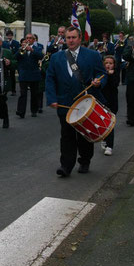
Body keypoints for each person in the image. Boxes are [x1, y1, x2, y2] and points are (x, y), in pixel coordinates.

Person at [46, 26, 107, 176]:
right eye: (68, 38)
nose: (71, 40)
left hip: (85, 102)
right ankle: (66, 166)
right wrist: (52, 98)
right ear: (65, 39)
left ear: (80, 38)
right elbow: (50, 79)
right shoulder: (57, 57)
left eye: (74, 37)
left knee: (84, 135)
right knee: (66, 135)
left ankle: (85, 160)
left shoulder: (92, 55)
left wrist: (98, 82)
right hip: (64, 102)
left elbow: (102, 74)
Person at [16, 33, 43, 118]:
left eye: (30, 38)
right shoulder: (21, 49)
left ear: (33, 40)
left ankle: (34, 110)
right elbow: (16, 57)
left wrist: (32, 50)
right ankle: (21, 111)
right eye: (27, 38)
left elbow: (41, 56)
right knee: (23, 94)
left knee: (34, 94)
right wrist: (20, 50)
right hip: (23, 74)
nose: (28, 40)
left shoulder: (37, 48)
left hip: (34, 74)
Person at [101, 55, 119, 156]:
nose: (108, 65)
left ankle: (109, 146)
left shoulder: (115, 74)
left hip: (112, 101)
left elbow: (115, 85)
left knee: (110, 123)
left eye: (110, 63)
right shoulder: (101, 73)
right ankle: (104, 138)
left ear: (114, 65)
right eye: (106, 63)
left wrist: (110, 75)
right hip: (102, 100)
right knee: (102, 122)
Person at [3, 29, 20, 96]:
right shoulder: (4, 43)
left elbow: (17, 51)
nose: (9, 37)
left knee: (12, 76)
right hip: (6, 60)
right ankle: (6, 89)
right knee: (6, 76)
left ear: (12, 36)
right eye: (8, 36)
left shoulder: (16, 43)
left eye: (10, 36)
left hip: (12, 60)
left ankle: (13, 90)